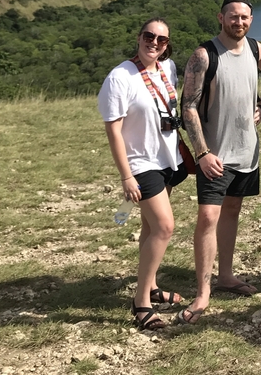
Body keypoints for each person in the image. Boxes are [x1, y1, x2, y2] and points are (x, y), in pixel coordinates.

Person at [179, 0, 261, 324]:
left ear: (251, 20)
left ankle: (225, 276)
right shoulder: (204, 55)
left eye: (245, 17)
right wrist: (202, 153)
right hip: (215, 155)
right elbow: (188, 106)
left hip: (246, 151)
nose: (239, 22)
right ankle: (203, 292)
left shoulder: (255, 49)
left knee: (233, 211)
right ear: (221, 18)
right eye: (233, 16)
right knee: (208, 217)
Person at [99, 18, 187, 330]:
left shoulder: (168, 68)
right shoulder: (120, 77)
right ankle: (141, 302)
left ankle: (151, 285)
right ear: (139, 37)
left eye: (162, 39)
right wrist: (126, 176)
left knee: (150, 228)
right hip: (140, 163)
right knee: (164, 226)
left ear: (167, 45)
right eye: (149, 36)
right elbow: (113, 130)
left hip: (166, 159)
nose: (154, 42)